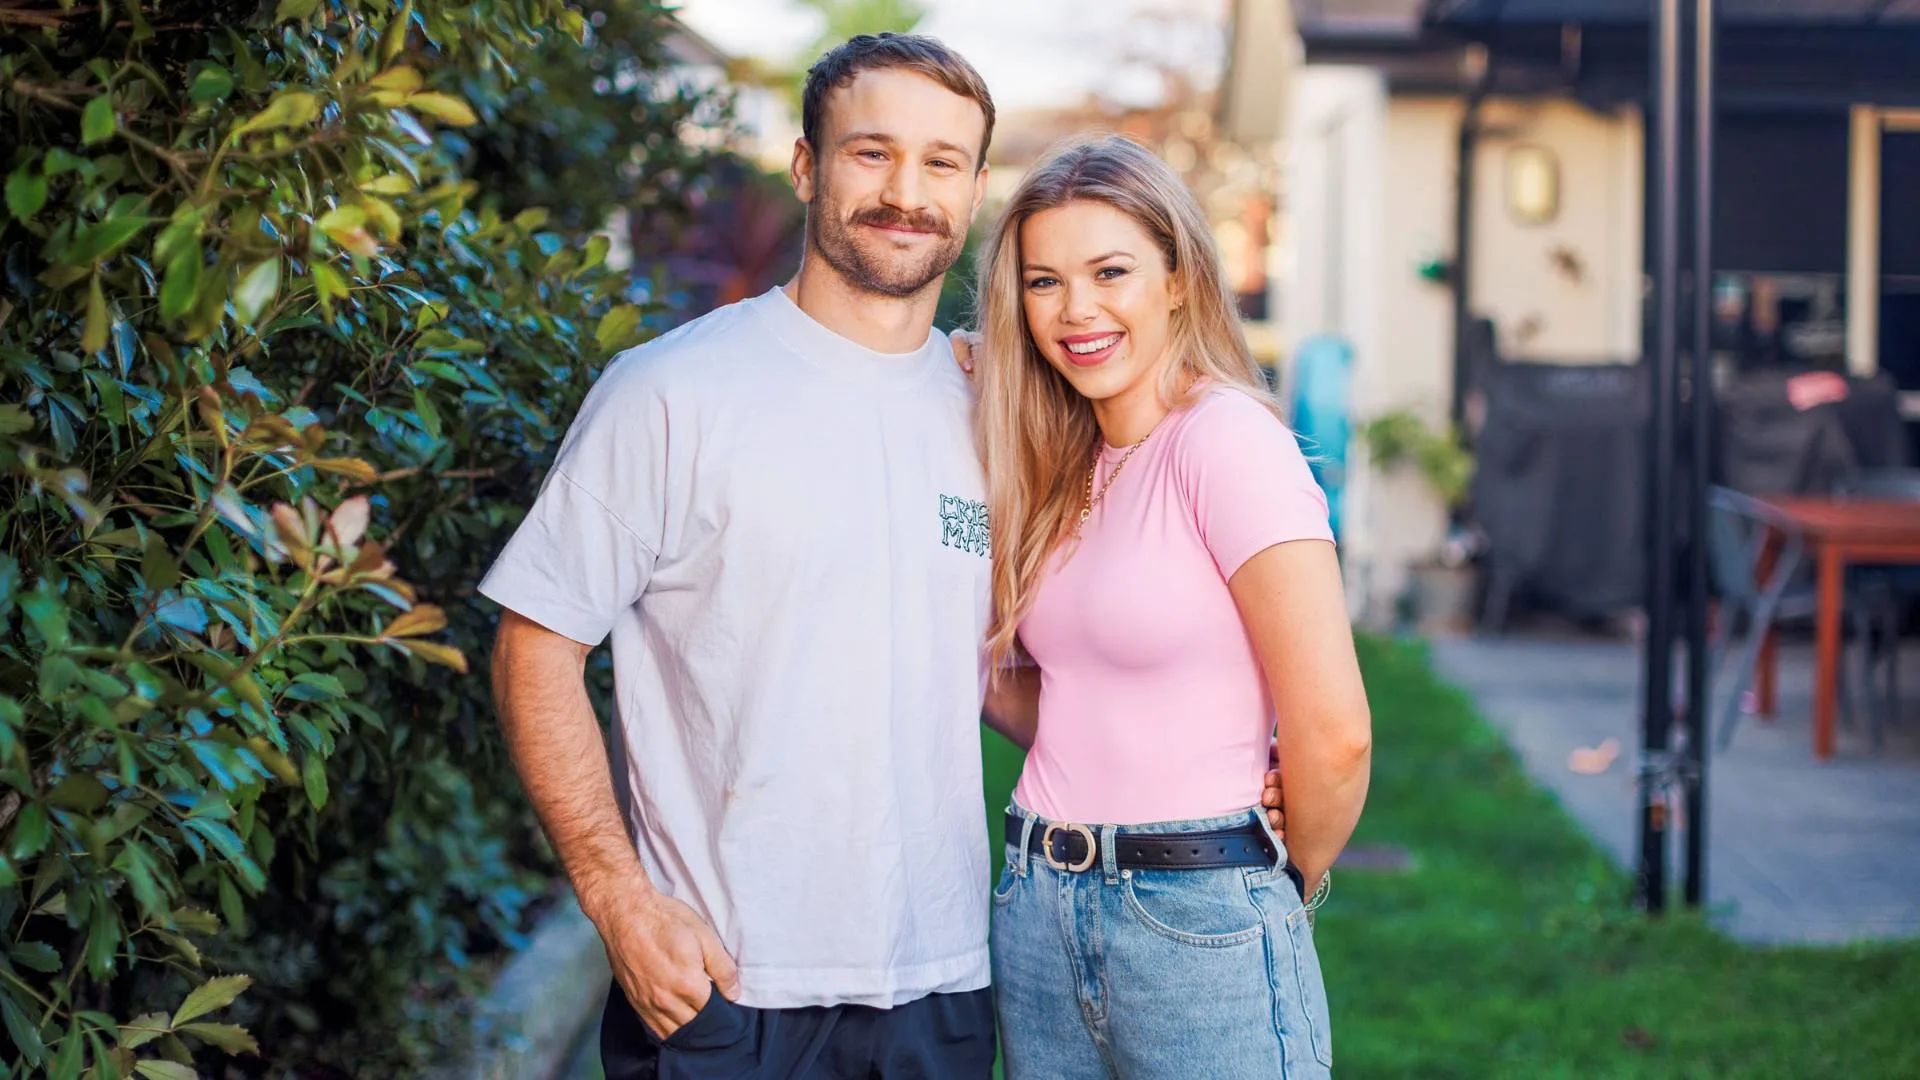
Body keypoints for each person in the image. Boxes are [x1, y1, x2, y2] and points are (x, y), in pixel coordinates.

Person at [481, 33, 1002, 1079]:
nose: (907, 191)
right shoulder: (674, 393)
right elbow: (534, 646)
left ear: (976, 187)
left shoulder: (990, 411)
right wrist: (618, 901)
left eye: (942, 161)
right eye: (871, 153)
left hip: (942, 984)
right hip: (723, 989)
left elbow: (1021, 667)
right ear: (806, 166)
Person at [968, 135, 1373, 1080]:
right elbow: (1052, 694)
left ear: (1179, 278)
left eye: (1111, 271)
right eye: (1043, 283)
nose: (1078, 311)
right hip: (1037, 903)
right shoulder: (1065, 462)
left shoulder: (1226, 441)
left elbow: (1336, 730)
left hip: (1196, 913)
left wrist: (1275, 887)